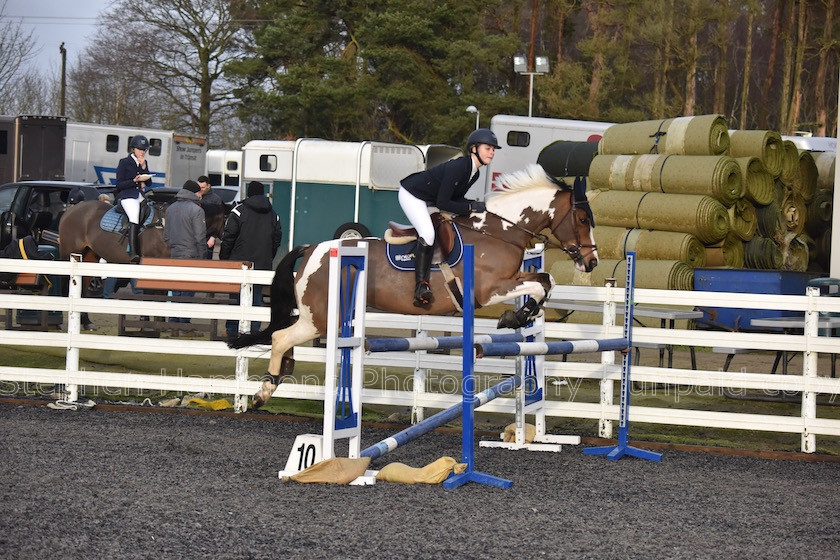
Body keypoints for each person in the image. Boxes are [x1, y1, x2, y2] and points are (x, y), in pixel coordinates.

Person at [398, 127, 500, 307]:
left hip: (430, 200)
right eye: (488, 148)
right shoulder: (459, 167)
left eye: (493, 149)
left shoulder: (474, 173)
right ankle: (421, 286)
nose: (491, 153)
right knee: (428, 234)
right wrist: (469, 207)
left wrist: (475, 207)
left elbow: (455, 198)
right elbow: (444, 202)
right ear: (474, 148)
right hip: (412, 195)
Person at [220, 180, 282, 338]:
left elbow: (228, 237)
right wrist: (268, 256)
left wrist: (225, 258)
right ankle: (253, 330)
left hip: (239, 263)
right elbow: (276, 240)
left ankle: (233, 330)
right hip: (262, 263)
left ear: (248, 193)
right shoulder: (273, 215)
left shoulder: (239, 212)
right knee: (256, 298)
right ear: (262, 193)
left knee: (236, 298)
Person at [163, 180, 207, 325]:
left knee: (176, 289)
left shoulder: (170, 209)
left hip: (175, 254)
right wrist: (203, 257)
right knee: (188, 290)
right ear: (194, 193)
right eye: (199, 192)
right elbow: (200, 237)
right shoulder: (197, 210)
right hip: (191, 255)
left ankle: (174, 322)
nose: (201, 194)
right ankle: (184, 323)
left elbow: (166, 236)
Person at [114, 135, 153, 262]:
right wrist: (134, 181)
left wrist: (143, 168)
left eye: (144, 150)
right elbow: (119, 184)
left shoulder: (143, 163)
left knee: (151, 211)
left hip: (140, 195)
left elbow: (149, 183)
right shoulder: (124, 162)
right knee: (134, 216)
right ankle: (132, 251)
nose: (142, 152)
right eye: (140, 149)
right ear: (133, 149)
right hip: (127, 196)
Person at [197, 175, 224, 259]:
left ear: (208, 186)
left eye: (203, 187)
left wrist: (213, 237)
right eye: (199, 187)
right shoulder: (196, 196)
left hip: (208, 239)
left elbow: (219, 220)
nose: (201, 189)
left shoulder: (215, 200)